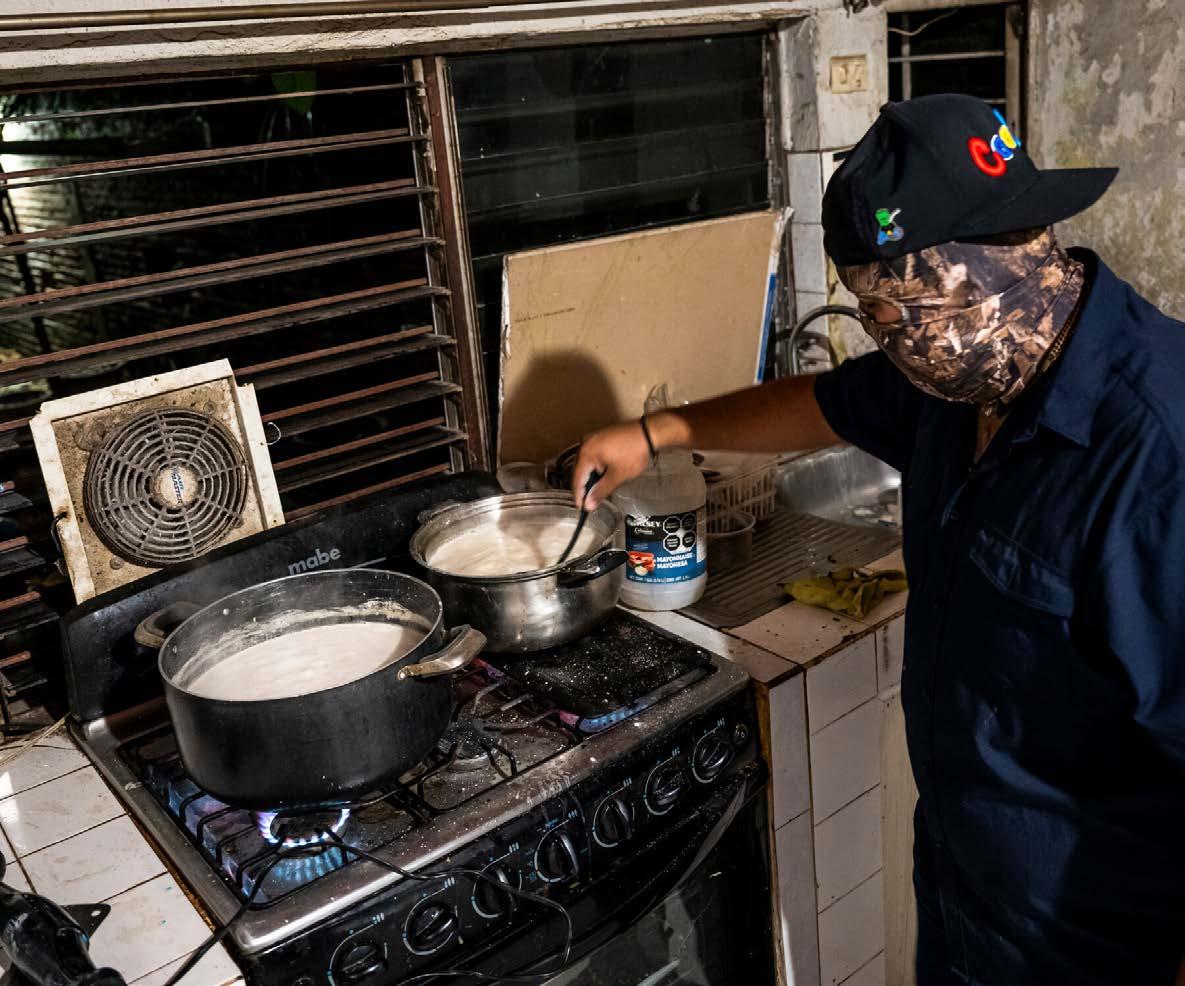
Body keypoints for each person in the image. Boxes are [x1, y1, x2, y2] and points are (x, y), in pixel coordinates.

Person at [571, 93, 1185, 986]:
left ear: (991, 264)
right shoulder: (962, 376)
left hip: (1088, 937)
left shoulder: (1157, 457)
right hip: (966, 887)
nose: (882, 341)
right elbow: (826, 403)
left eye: (889, 316)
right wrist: (655, 433)